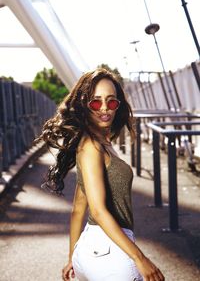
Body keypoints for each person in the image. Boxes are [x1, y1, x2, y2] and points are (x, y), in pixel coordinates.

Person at [37, 68, 165, 281]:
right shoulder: (91, 146)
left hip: (89, 250)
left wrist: (72, 258)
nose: (104, 108)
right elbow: (97, 210)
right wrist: (140, 258)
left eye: (111, 101)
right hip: (111, 254)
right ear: (84, 105)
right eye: (96, 102)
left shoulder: (100, 143)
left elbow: (79, 208)